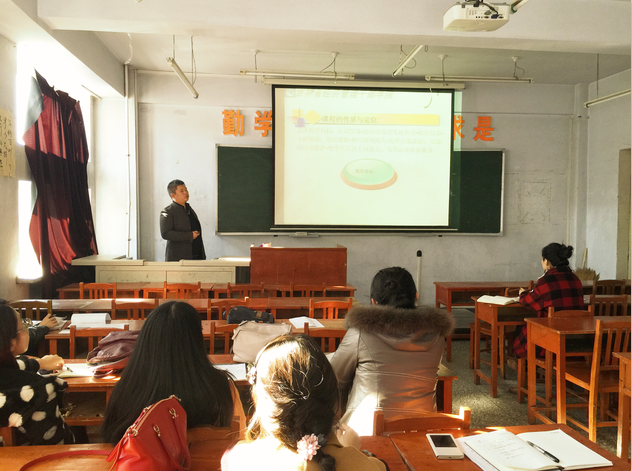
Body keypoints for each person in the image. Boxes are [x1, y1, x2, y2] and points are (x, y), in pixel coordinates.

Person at [221, 334, 386, 471]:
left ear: (261, 401)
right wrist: (351, 452)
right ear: (332, 394)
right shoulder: (370, 466)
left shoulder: (237, 460)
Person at [329, 266, 454, 436]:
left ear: (374, 302)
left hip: (367, 433)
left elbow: (335, 377)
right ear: (416, 296)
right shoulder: (437, 335)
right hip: (421, 431)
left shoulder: (361, 332)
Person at [102, 301, 245, 443]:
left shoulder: (125, 389)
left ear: (146, 340)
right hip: (210, 458)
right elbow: (240, 439)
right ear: (197, 340)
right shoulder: (223, 388)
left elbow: (111, 441)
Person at [0, 304, 75, 445]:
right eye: (24, 325)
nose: (27, 329)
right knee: (78, 432)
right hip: (25, 457)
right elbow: (56, 444)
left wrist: (40, 363)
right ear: (11, 344)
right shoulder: (37, 389)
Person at [512, 243, 585, 358]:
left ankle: (525, 363)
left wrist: (523, 294)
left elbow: (527, 302)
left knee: (521, 329)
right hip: (575, 340)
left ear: (546, 261)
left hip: (551, 339)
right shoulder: (575, 279)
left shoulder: (546, 281)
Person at [160, 179, 206, 262]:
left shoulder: (189, 209)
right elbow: (166, 233)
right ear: (173, 195)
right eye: (181, 191)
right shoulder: (167, 211)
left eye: (186, 189)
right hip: (178, 258)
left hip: (196, 256)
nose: (186, 192)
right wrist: (189, 236)